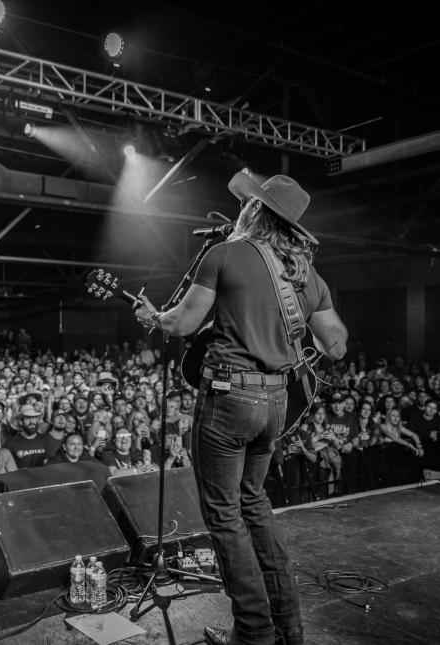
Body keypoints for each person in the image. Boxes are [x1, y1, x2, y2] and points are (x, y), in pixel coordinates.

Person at [135, 168, 347, 645]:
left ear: (255, 211)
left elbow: (183, 323)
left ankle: (253, 632)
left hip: (230, 400)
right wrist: (289, 328)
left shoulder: (225, 254)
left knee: (225, 515)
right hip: (275, 402)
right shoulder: (308, 276)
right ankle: (287, 625)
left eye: (246, 205)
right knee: (254, 503)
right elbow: (335, 345)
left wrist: (155, 317)